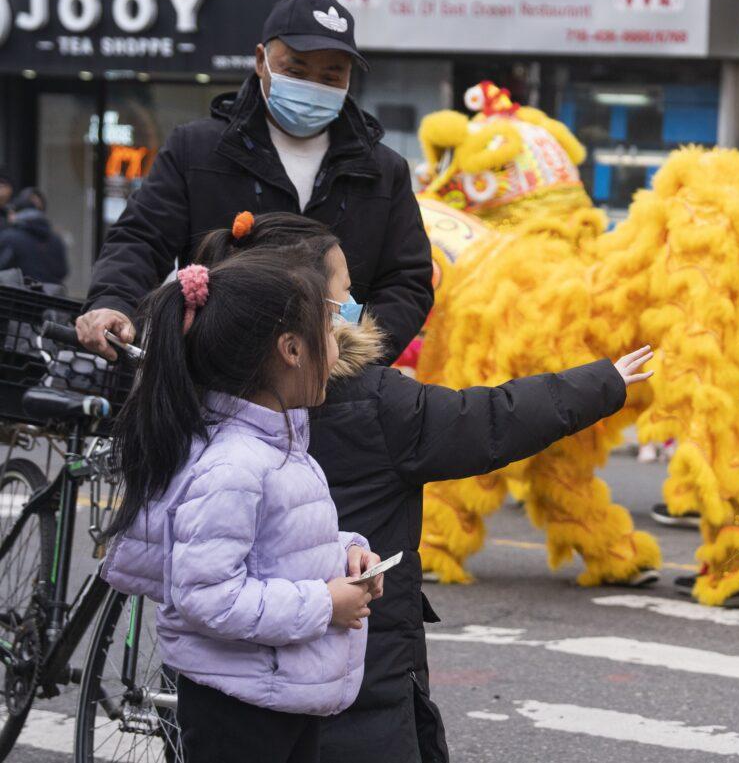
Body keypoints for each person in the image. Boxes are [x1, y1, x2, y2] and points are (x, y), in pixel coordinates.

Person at [192, 212, 655, 763]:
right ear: (305, 324)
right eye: (345, 293)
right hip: (358, 674)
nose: (356, 305)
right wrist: (604, 382)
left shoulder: (204, 397)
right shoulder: (373, 402)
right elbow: (488, 420)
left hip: (231, 693)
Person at [101, 249, 384, 763]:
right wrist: (325, 603)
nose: (337, 344)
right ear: (291, 349)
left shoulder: (280, 446)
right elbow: (206, 595)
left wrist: (349, 554)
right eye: (328, 328)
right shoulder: (235, 466)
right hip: (240, 708)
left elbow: (275, 548)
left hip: (280, 691)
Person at [76, 0, 433, 362]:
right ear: (261, 60)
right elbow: (140, 239)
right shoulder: (197, 149)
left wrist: (353, 357)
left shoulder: (381, 170)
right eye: (296, 70)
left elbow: (407, 281)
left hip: (338, 392)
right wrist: (113, 301)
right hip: (214, 380)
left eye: (331, 76)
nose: (313, 86)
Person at [0, 187, 68, 284]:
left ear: (15, 213)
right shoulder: (56, 239)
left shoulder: (9, 238)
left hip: (19, 295)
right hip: (51, 295)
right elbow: (62, 271)